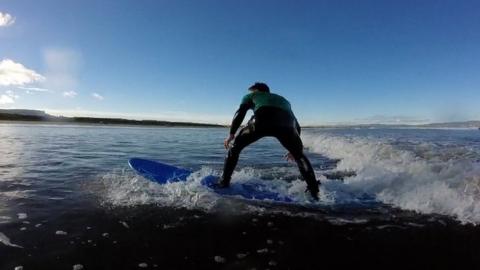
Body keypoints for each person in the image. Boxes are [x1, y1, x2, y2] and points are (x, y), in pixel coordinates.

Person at [217, 82, 320, 200]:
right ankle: (314, 191)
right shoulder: (284, 100)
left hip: (261, 121)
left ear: (257, 90)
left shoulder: (251, 96)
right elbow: (296, 125)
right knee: (299, 156)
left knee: (234, 149)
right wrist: (295, 149)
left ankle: (224, 182)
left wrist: (231, 134)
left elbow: (240, 112)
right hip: (286, 125)